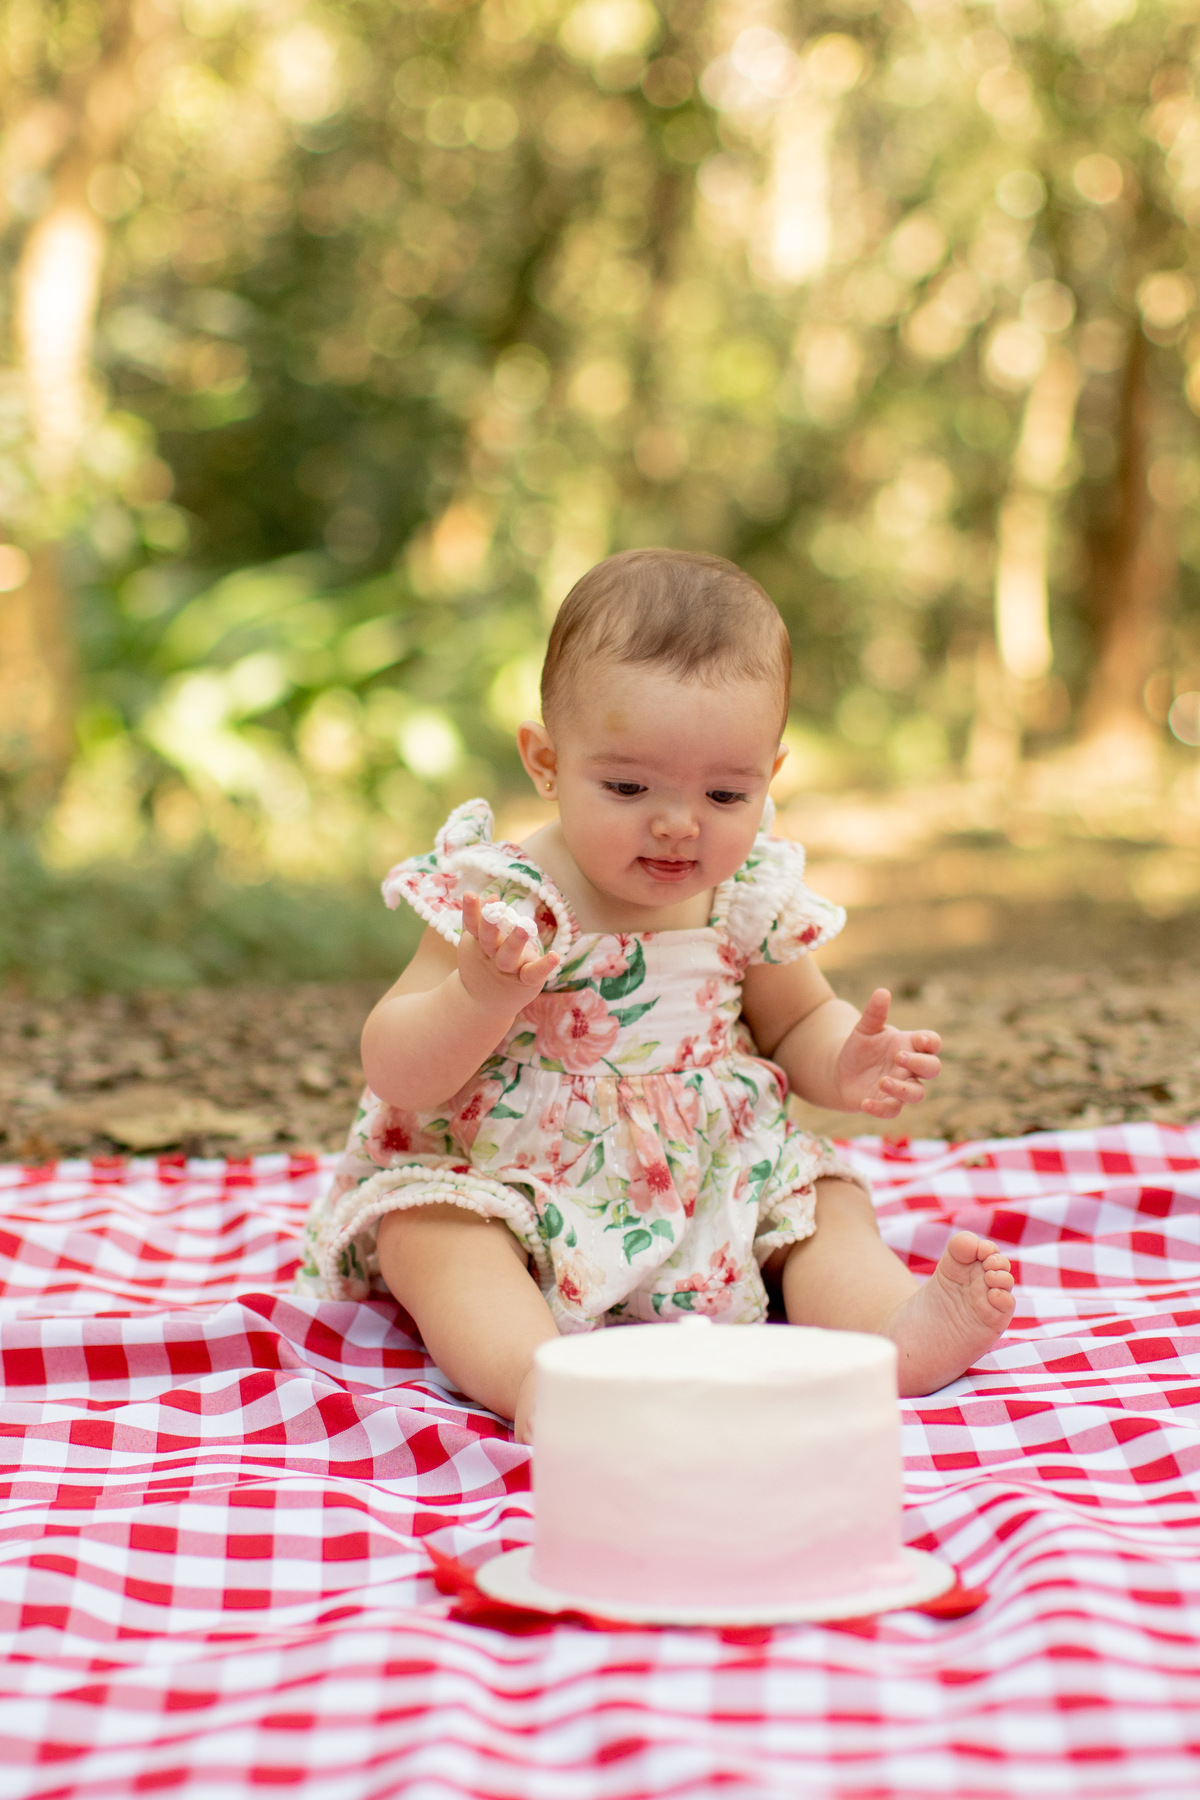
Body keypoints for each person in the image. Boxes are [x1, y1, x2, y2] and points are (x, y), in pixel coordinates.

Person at [298, 548, 1015, 1439]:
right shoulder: (504, 897)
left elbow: (796, 1023)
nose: (678, 822)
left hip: (715, 1170)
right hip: (518, 1177)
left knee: (825, 1205)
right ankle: (540, 1381)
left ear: (770, 776)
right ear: (546, 761)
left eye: (724, 791)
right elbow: (396, 1068)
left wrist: (847, 1059)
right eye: (629, 786)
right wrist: (479, 996)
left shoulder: (747, 894)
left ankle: (889, 1332)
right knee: (432, 1232)